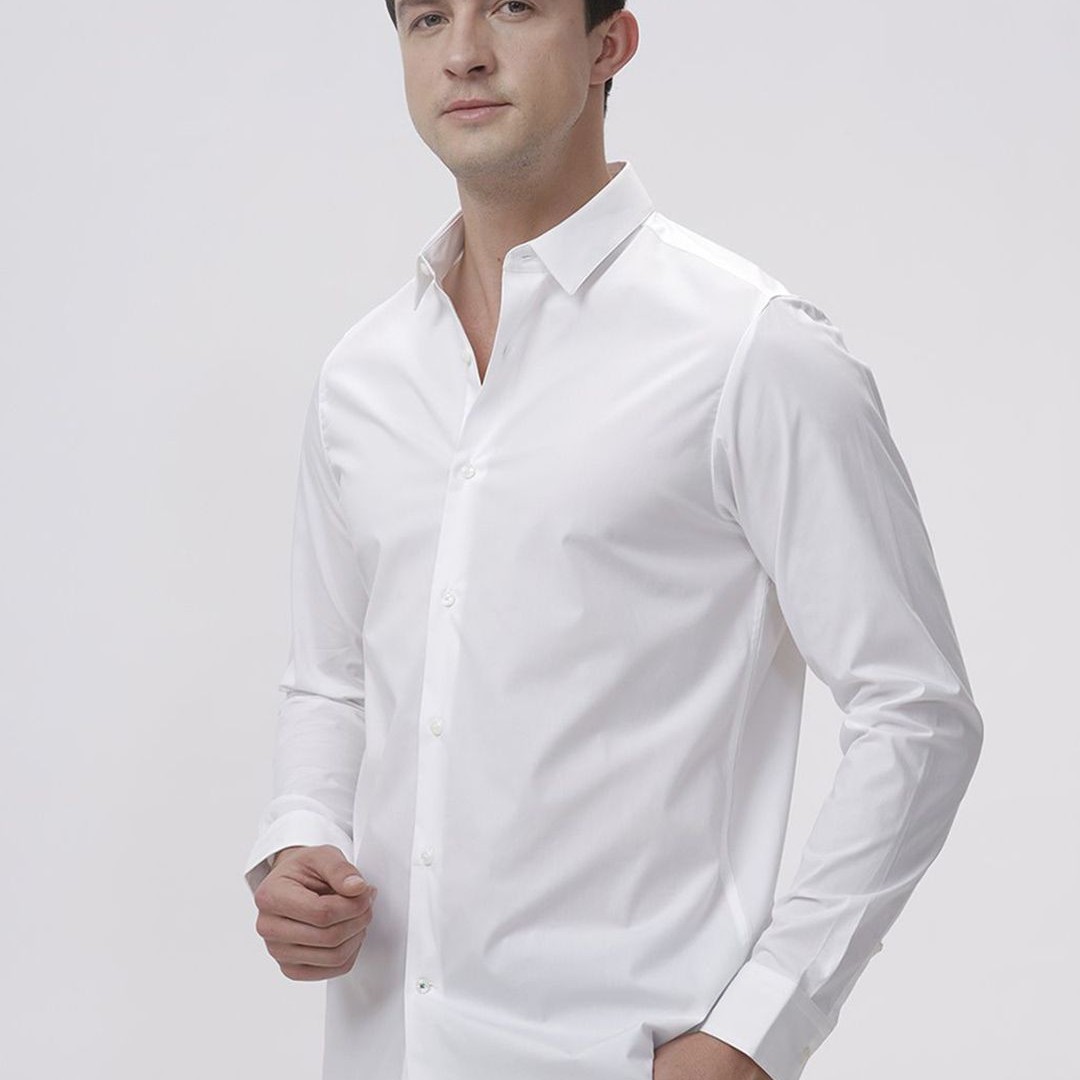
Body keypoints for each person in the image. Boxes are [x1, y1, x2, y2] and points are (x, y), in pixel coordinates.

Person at [243, 3, 984, 1079]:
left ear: (609, 44)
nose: (464, 53)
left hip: (622, 1056)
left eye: (513, 6)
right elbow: (331, 679)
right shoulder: (361, 376)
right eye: (428, 18)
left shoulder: (750, 350)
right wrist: (299, 834)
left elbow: (917, 710)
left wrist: (757, 1032)